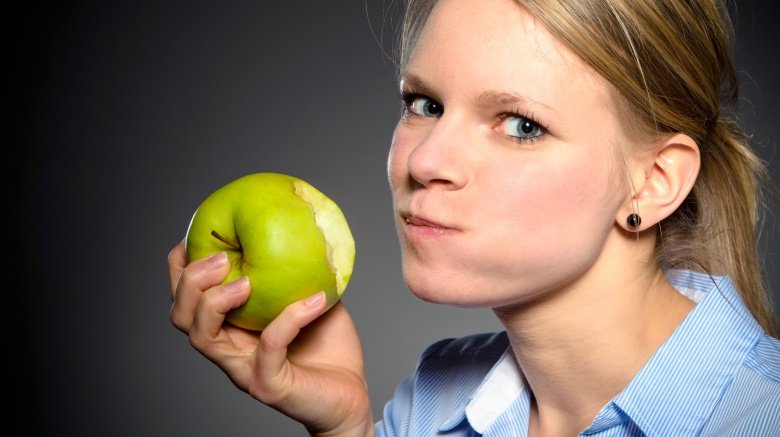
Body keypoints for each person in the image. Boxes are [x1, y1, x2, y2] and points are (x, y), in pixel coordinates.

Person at [168, 0, 780, 435]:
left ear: (653, 181)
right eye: (424, 104)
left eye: (521, 125)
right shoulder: (432, 407)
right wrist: (345, 430)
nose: (427, 160)